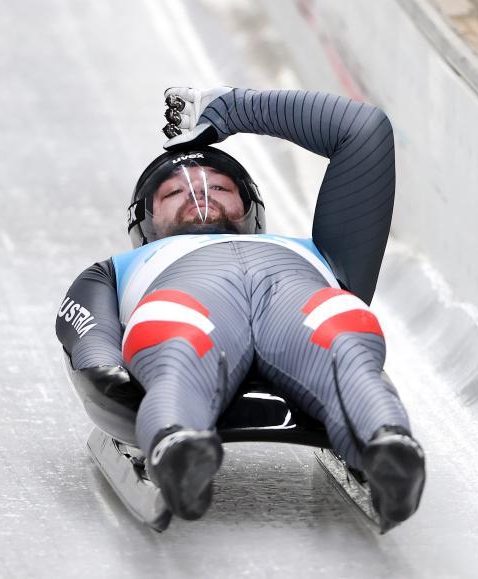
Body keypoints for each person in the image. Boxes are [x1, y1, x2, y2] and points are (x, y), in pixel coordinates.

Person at [55, 87, 426, 528]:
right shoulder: (118, 269)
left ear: (250, 209)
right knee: (177, 348)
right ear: (146, 224)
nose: (199, 196)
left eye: (219, 187)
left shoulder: (325, 255)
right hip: (187, 299)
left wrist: (231, 109)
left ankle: (389, 447)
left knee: (343, 345)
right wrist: (106, 376)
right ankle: (180, 447)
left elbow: (363, 131)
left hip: (299, 297)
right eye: (174, 193)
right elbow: (86, 331)